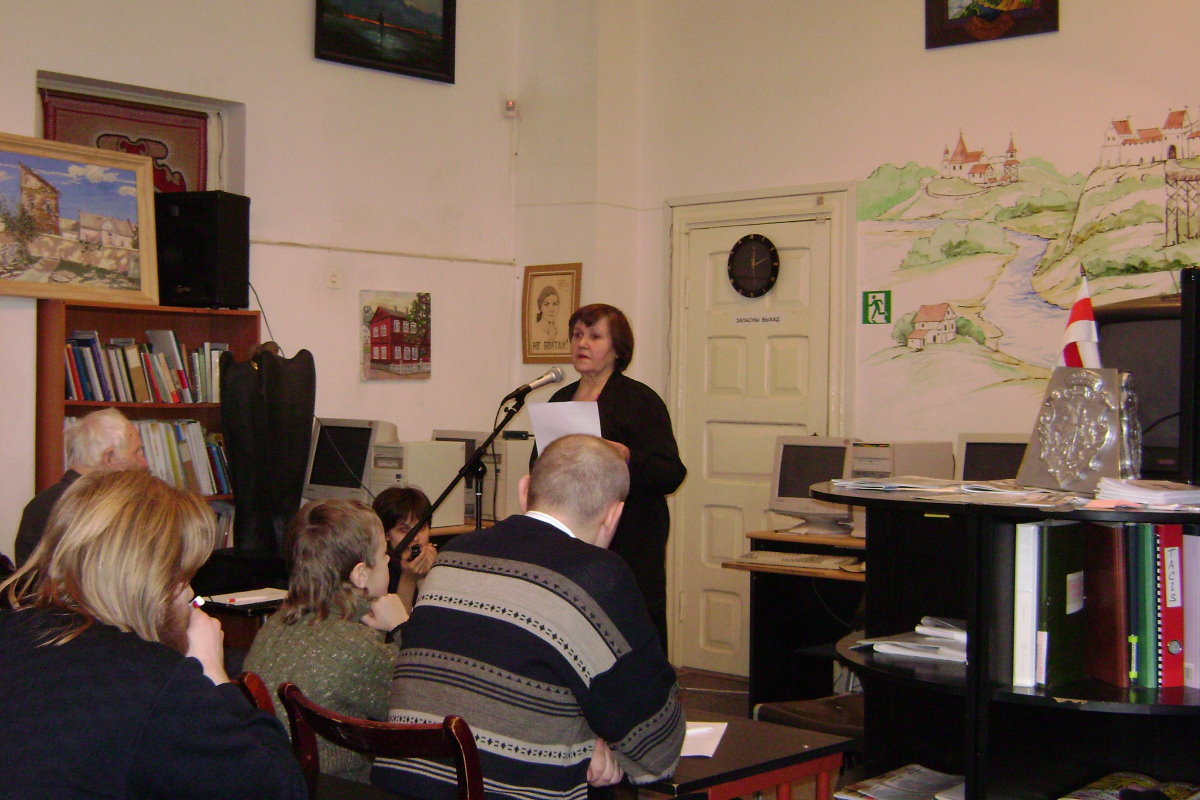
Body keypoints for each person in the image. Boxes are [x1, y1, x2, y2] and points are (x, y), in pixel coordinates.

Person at [374, 434, 685, 800]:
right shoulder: (599, 578)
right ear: (614, 514)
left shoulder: (451, 558)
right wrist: (590, 743)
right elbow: (657, 752)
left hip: (403, 789)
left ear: (524, 491)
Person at [0, 469, 306, 799]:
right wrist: (214, 675)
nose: (190, 593)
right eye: (181, 577)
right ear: (148, 579)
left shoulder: (15, 631)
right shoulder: (153, 682)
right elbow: (280, 790)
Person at [542, 303, 686, 651]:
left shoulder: (640, 400)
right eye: (577, 335)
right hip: (573, 531)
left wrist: (627, 456)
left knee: (630, 622)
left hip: (630, 533)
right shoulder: (560, 398)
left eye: (594, 336)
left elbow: (671, 472)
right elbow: (542, 463)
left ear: (618, 349)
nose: (582, 343)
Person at [244, 498, 410, 783]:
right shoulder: (356, 646)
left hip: (271, 780)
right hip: (332, 784)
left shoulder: (276, 623)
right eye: (384, 553)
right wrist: (402, 627)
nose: (388, 560)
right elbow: (415, 705)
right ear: (361, 574)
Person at [14, 407, 148, 566]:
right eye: (137, 452)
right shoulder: (101, 510)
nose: (143, 463)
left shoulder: (39, 506)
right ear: (109, 457)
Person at [372, 485, 438, 608]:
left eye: (421, 527)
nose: (415, 537)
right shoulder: (380, 571)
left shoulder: (439, 562)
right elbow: (395, 619)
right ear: (386, 534)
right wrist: (408, 579)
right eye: (404, 529)